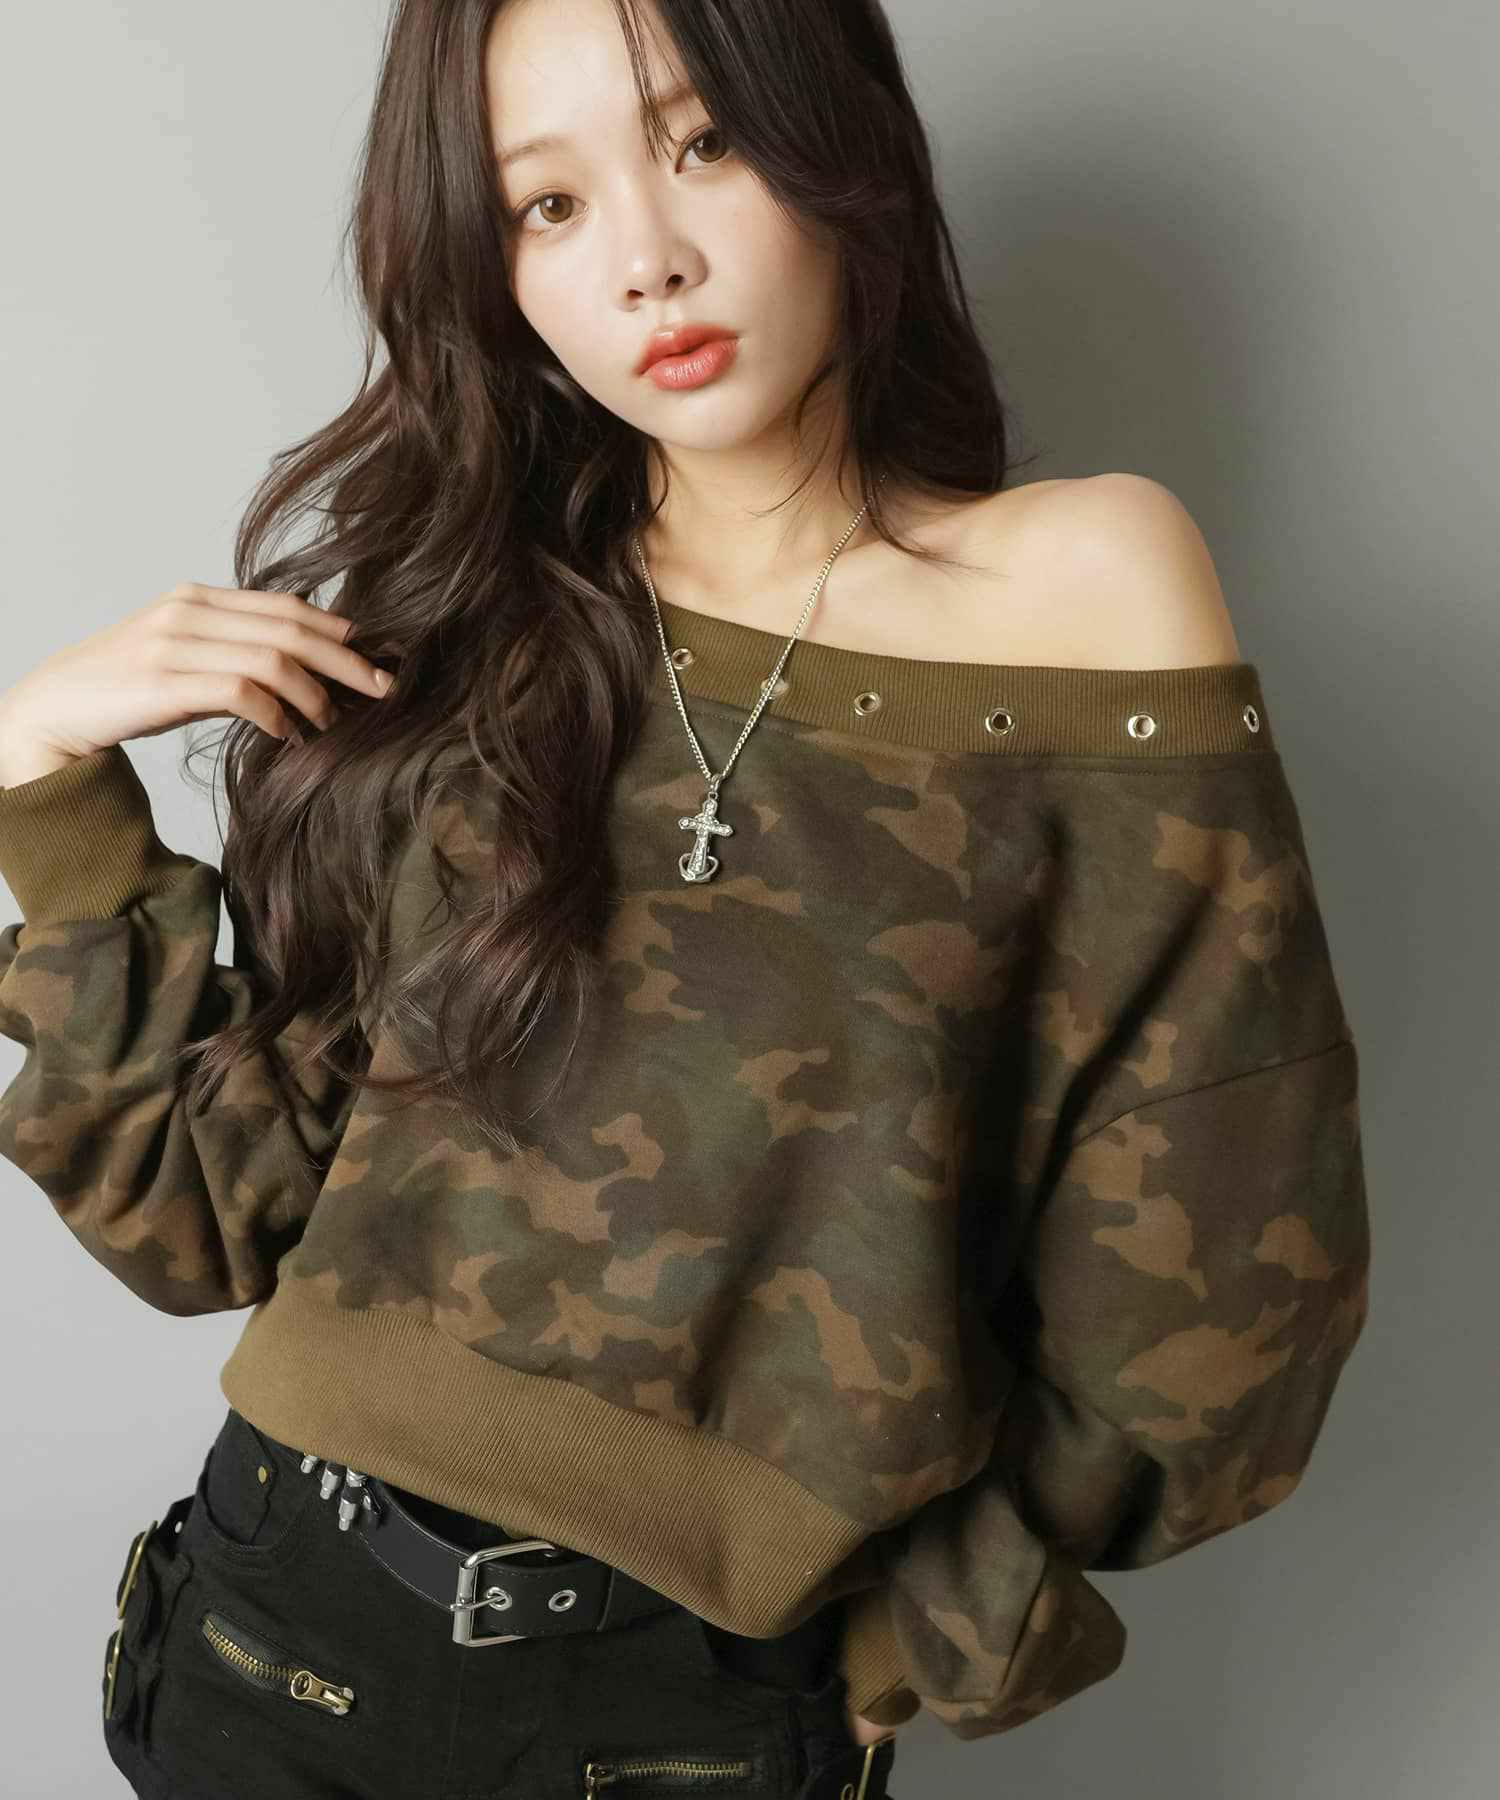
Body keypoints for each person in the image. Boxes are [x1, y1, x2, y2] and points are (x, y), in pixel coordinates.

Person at [0, 0, 1371, 1795]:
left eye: (704, 142)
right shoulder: (475, 631)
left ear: (837, 139)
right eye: (548, 205)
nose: (646, 260)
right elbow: (207, 1230)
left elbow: (1228, 1247)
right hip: (271, 1639)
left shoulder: (1087, 588)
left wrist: (916, 1646)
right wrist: (44, 791)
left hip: (679, 1724)